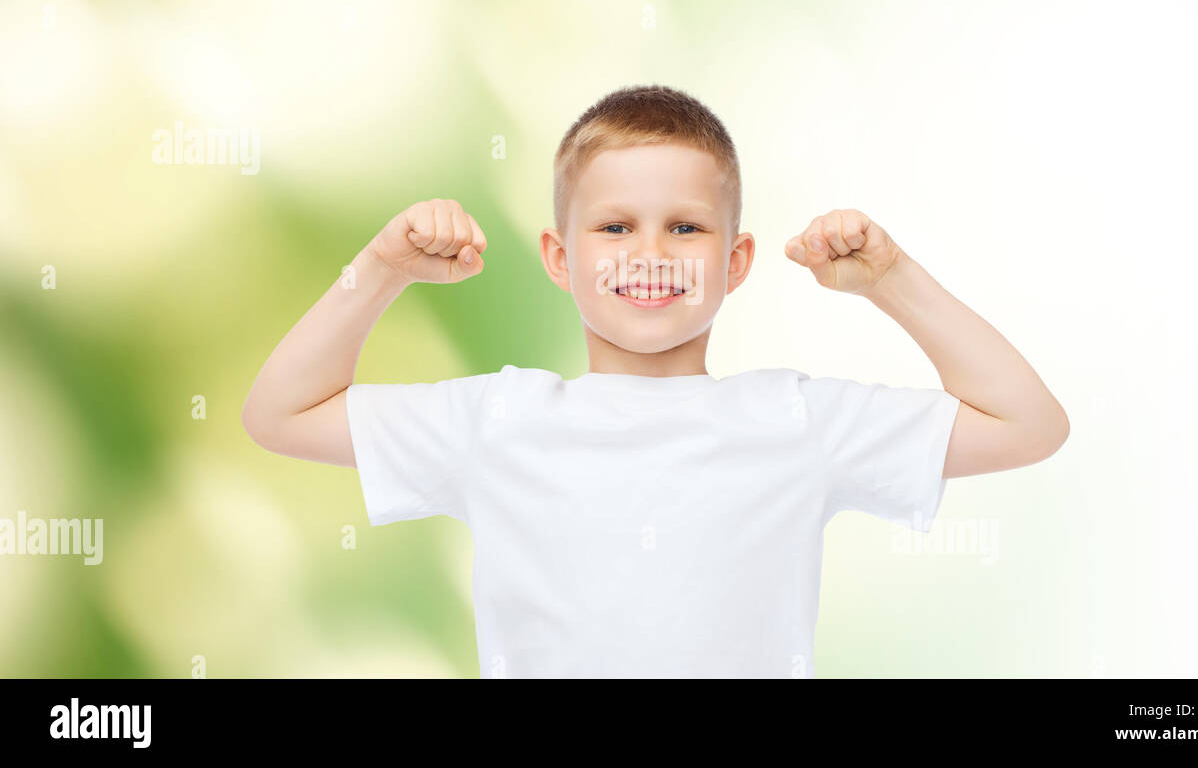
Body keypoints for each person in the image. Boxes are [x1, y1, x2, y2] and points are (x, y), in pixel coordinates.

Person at [242, 84, 1069, 678]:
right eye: (614, 226)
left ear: (735, 261)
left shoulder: (797, 418)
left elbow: (1028, 424)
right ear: (560, 259)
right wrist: (382, 268)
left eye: (685, 226)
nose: (650, 252)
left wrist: (891, 277)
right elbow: (279, 413)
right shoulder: (496, 418)